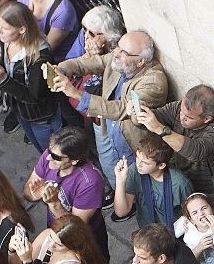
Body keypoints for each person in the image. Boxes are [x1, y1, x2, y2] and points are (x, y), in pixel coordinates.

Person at [52, 29, 173, 187]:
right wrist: (60, 70)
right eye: (118, 47)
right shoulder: (120, 59)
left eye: (123, 52)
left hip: (132, 143)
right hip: (107, 129)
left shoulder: (153, 82)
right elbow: (88, 63)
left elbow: (122, 109)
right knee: (112, 172)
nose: (116, 53)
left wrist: (76, 93)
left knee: (135, 182)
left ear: (141, 61)